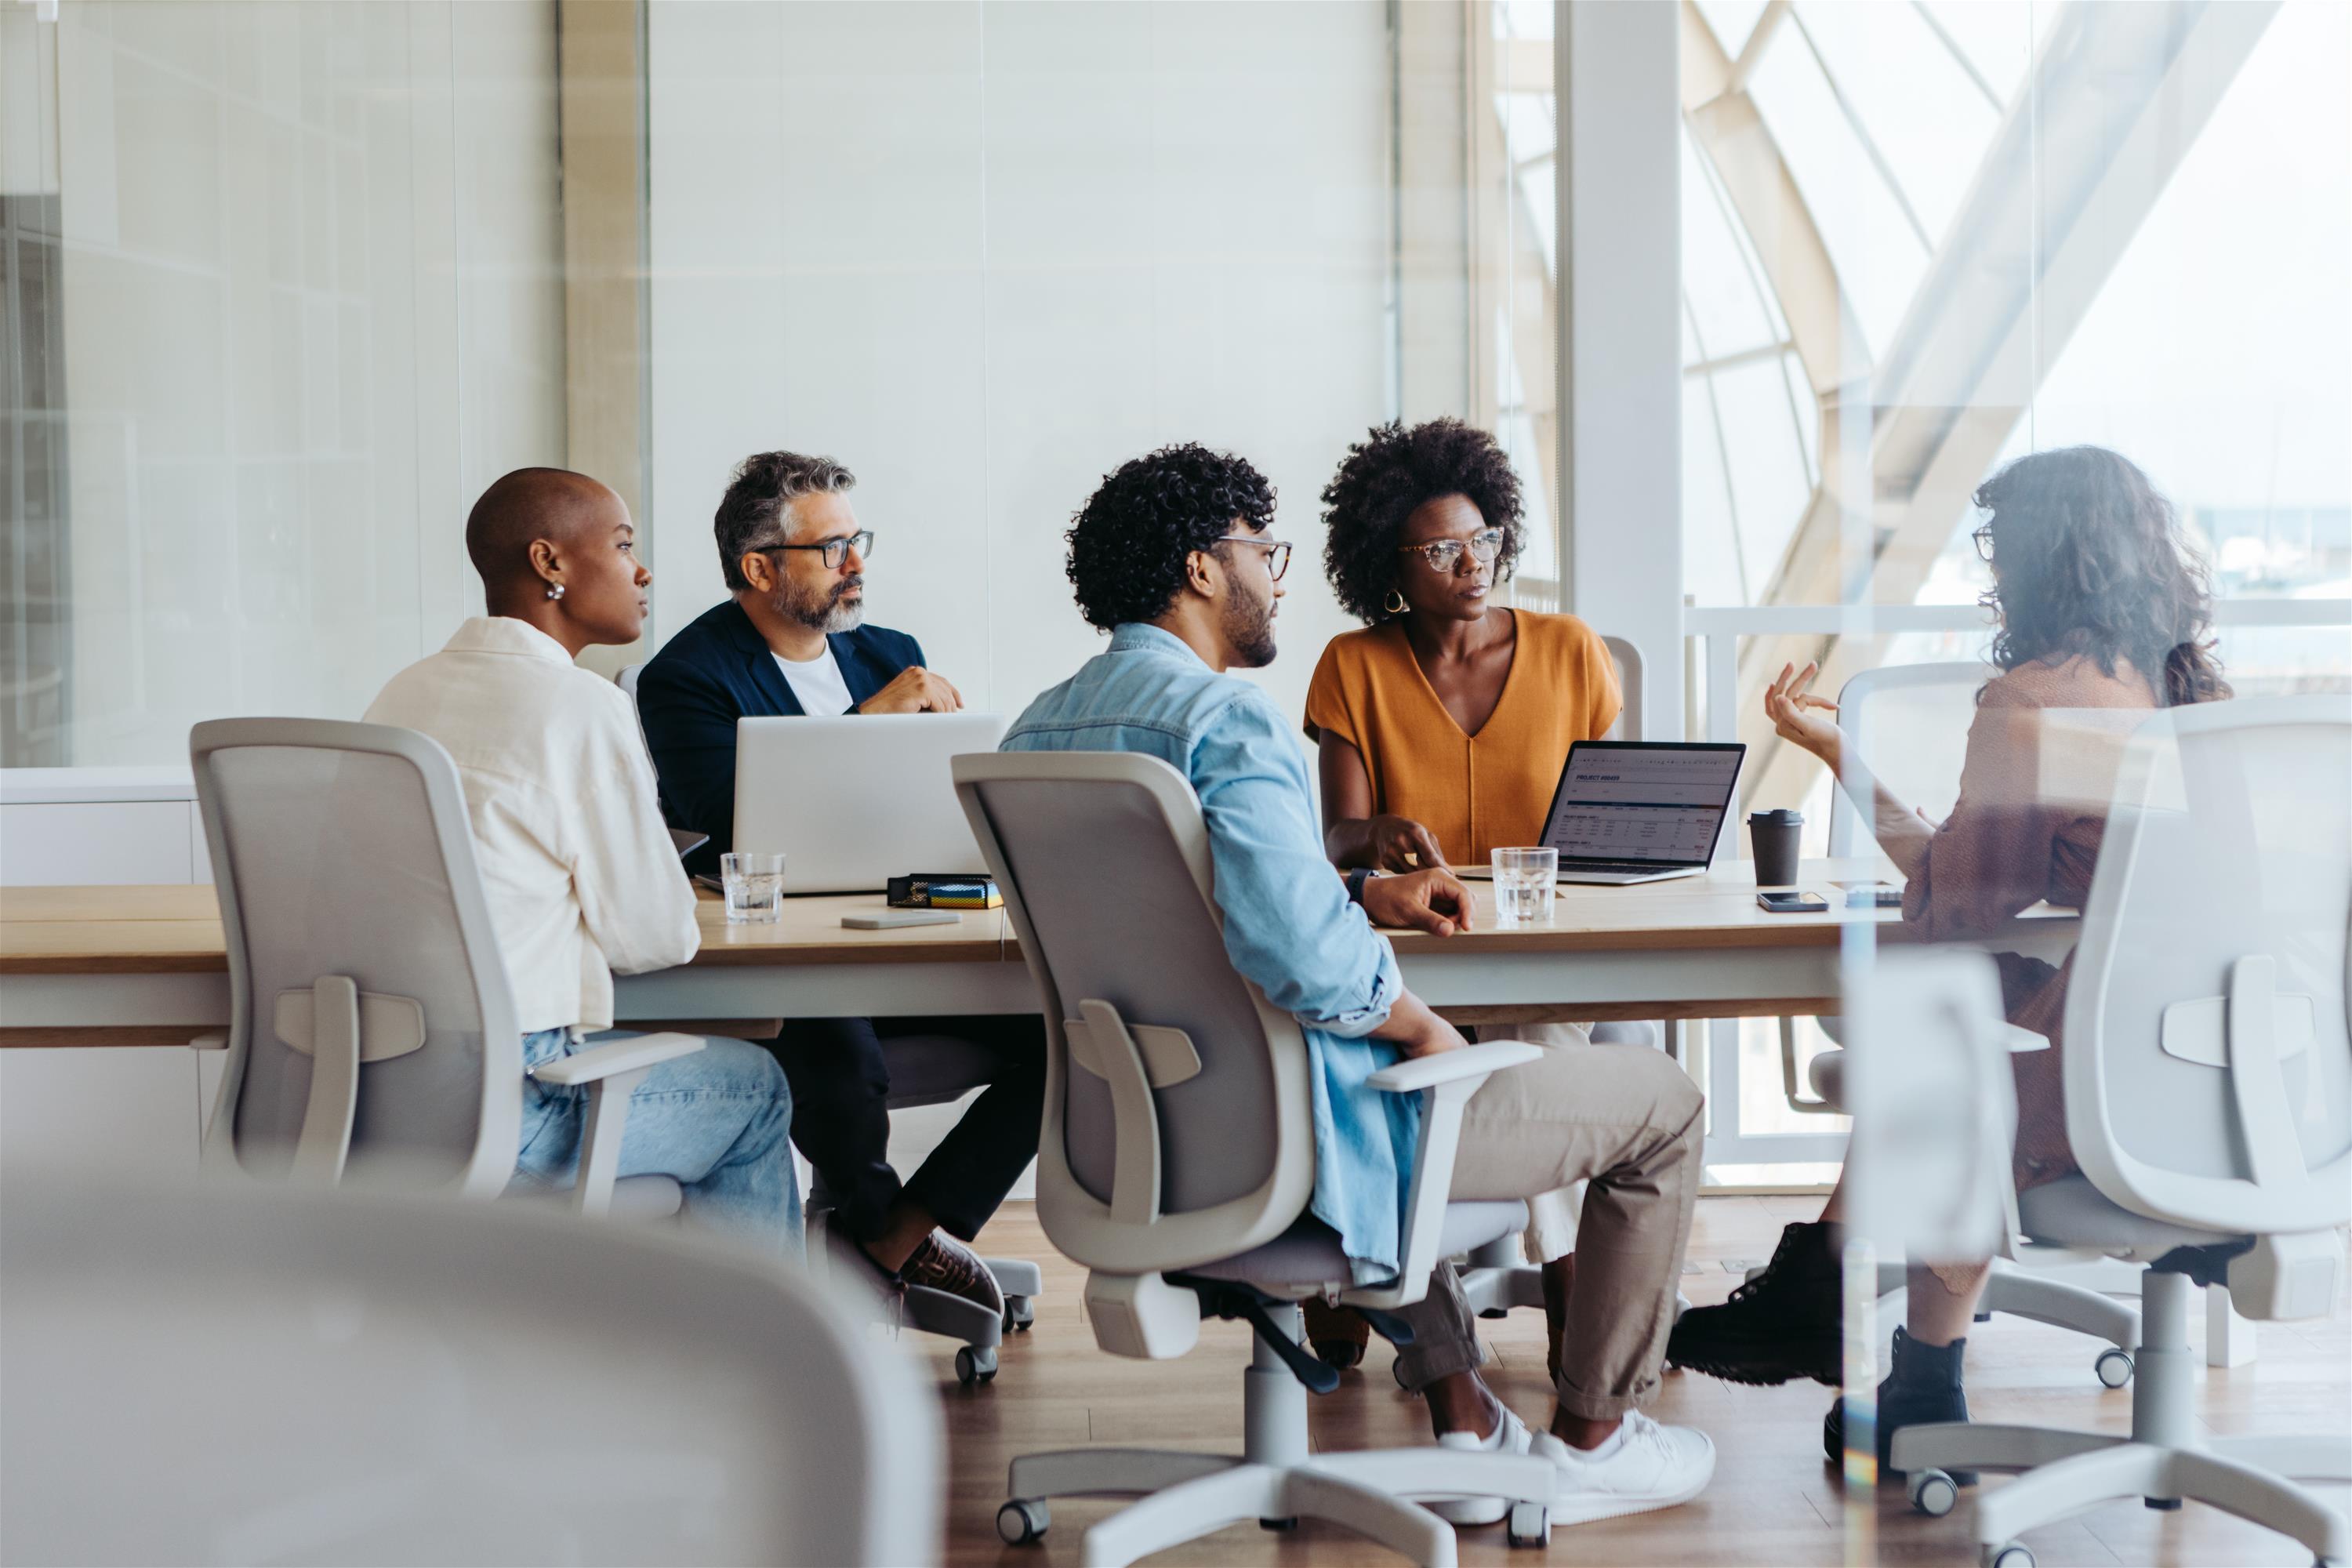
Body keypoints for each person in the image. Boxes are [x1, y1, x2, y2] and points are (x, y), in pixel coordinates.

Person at [1002, 442, 1715, 1526]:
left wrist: (1357, 898)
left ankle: (1468, 1423)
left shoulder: (1039, 728)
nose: (1274, 575)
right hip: (1296, 1140)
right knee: (1660, 1102)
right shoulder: (1223, 719)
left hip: (1131, 1146)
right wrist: (1420, 1020)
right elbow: (1301, 958)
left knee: (1395, 1062)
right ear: (1203, 568)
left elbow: (1189, 911)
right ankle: (1595, 1438)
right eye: (1260, 550)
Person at [1664, 445, 2232, 1473]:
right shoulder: (2186, 693)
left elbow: (1949, 911)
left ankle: (1837, 1291)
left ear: (2034, 561)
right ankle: (1910, 1365)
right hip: (2223, 1080)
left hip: (2116, 1088)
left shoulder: (2033, 702)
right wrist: (1846, 757)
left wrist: (1848, 768)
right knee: (1973, 1006)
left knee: (1938, 1014)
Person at [636, 450, 1044, 1316]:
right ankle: (866, 1238)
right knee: (840, 1052)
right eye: (833, 547)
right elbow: (725, 824)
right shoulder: (688, 676)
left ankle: (891, 1233)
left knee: (1073, 1029)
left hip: (910, 928)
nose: (857, 563)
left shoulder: (890, 654)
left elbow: (923, 809)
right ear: (760, 568)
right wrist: (872, 721)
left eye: (858, 539)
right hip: (784, 960)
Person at [364, 467, 798, 1254]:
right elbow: (655, 938)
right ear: (550, 562)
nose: (644, 570)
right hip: (513, 1106)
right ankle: (761, 1374)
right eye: (625, 544)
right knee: (757, 1089)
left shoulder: (404, 691)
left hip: (379, 1096)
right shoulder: (579, 706)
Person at [1299, 418, 1630, 1370]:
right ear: (1391, 566)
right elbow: (1334, 840)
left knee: (1539, 1055)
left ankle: (1560, 1293)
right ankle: (1416, 1278)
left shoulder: (1572, 651)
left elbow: (1615, 824)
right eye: (1442, 549)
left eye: (1482, 539)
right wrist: (1374, 837)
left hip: (1544, 941)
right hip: (1418, 949)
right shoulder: (1352, 665)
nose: (1471, 563)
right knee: (1416, 1059)